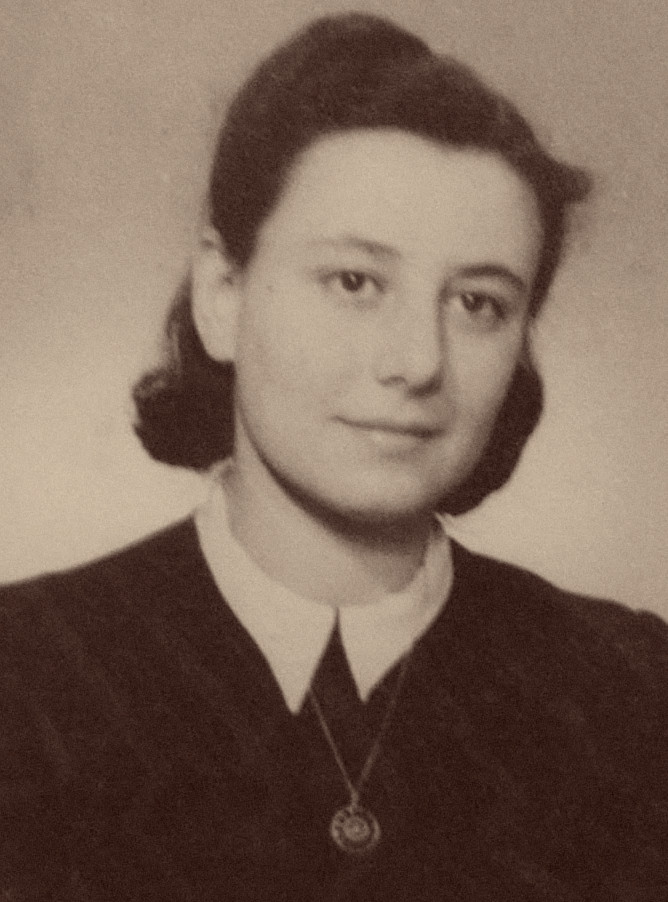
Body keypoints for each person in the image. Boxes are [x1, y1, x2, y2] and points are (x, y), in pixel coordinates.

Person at [1, 12, 666, 902]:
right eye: (355, 282)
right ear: (222, 295)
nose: (419, 362)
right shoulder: (26, 672)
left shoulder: (633, 689)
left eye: (477, 303)